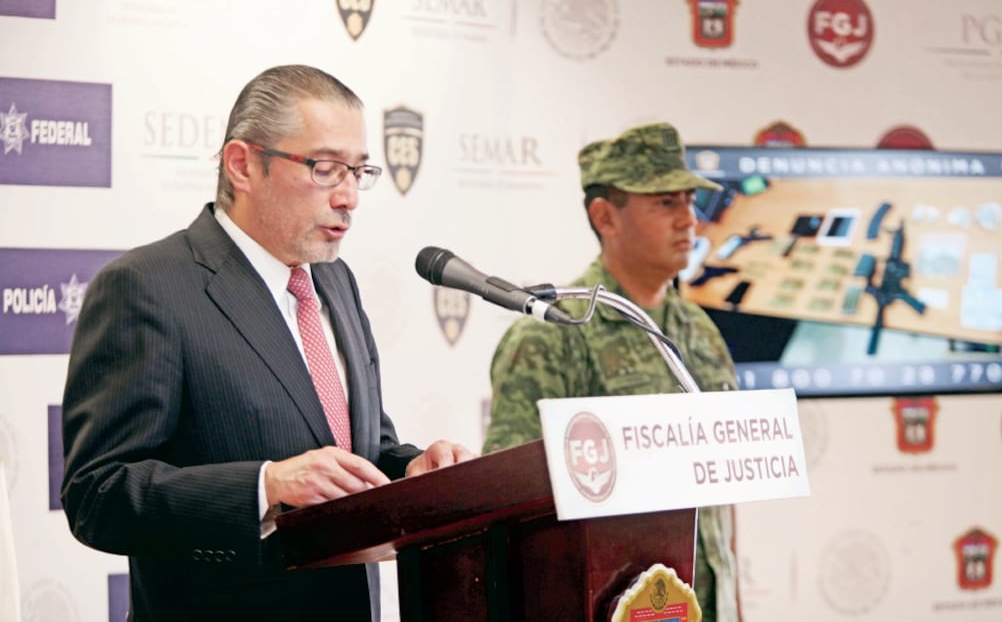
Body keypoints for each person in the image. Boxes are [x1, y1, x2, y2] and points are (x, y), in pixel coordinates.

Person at [61, 64, 475, 622]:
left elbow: (360, 450)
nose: (350, 196)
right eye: (326, 169)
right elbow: (98, 495)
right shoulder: (147, 287)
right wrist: (265, 487)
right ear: (242, 164)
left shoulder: (334, 280)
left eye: (359, 171)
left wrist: (412, 472)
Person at [481, 122, 741, 621]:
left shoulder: (701, 331)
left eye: (689, 201)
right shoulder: (554, 335)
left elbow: (723, 492)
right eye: (665, 203)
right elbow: (512, 502)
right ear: (605, 217)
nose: (688, 219)